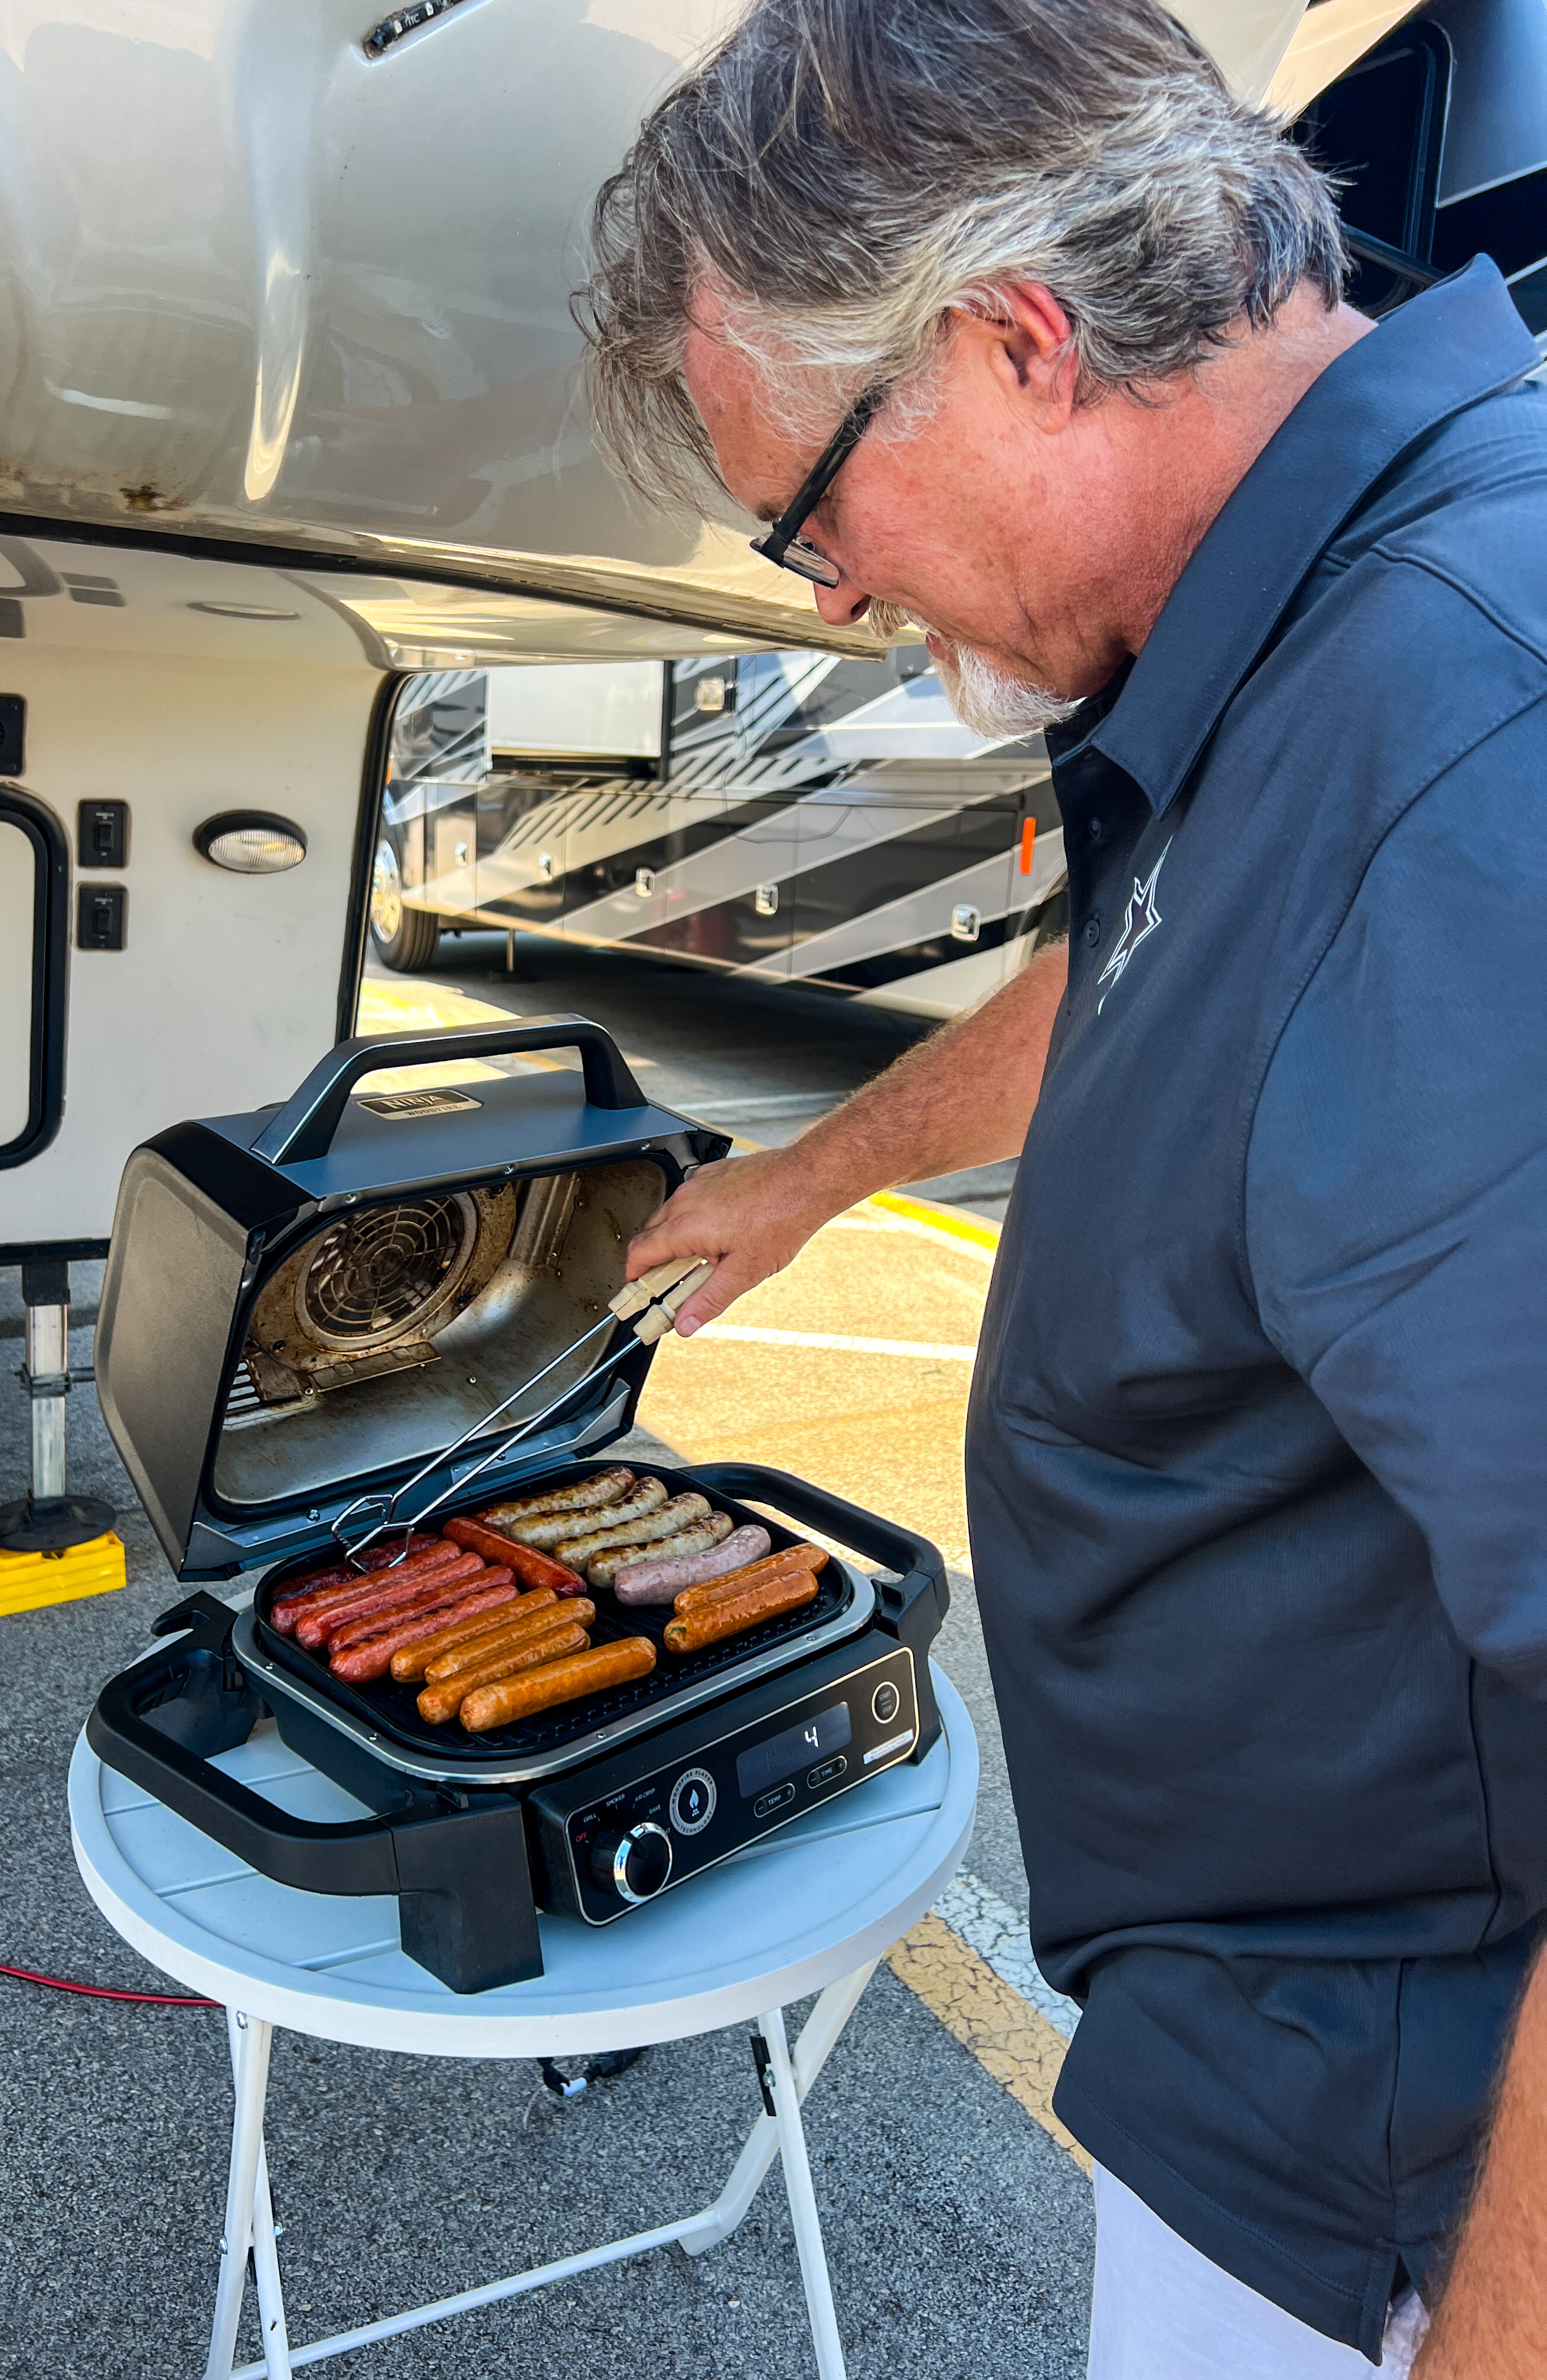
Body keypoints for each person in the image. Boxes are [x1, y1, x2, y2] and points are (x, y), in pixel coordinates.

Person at [575, 3, 1547, 2374]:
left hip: (1399, 2168)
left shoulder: (1469, 723)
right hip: (1277, 2059)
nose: (824, 598)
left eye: (809, 512)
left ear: (1015, 343)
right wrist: (819, 1173)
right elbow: (1161, 968)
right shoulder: (1317, 634)